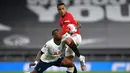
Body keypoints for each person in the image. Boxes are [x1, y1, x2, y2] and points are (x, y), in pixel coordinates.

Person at [57, 2, 86, 71]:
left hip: (76, 37)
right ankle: (81, 60)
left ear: (65, 9)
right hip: (69, 40)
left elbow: (66, 31)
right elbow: (78, 24)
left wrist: (73, 28)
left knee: (66, 39)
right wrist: (76, 25)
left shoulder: (68, 16)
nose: (61, 10)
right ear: (58, 10)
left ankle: (80, 57)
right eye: (60, 9)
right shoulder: (60, 20)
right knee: (68, 63)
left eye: (63, 8)